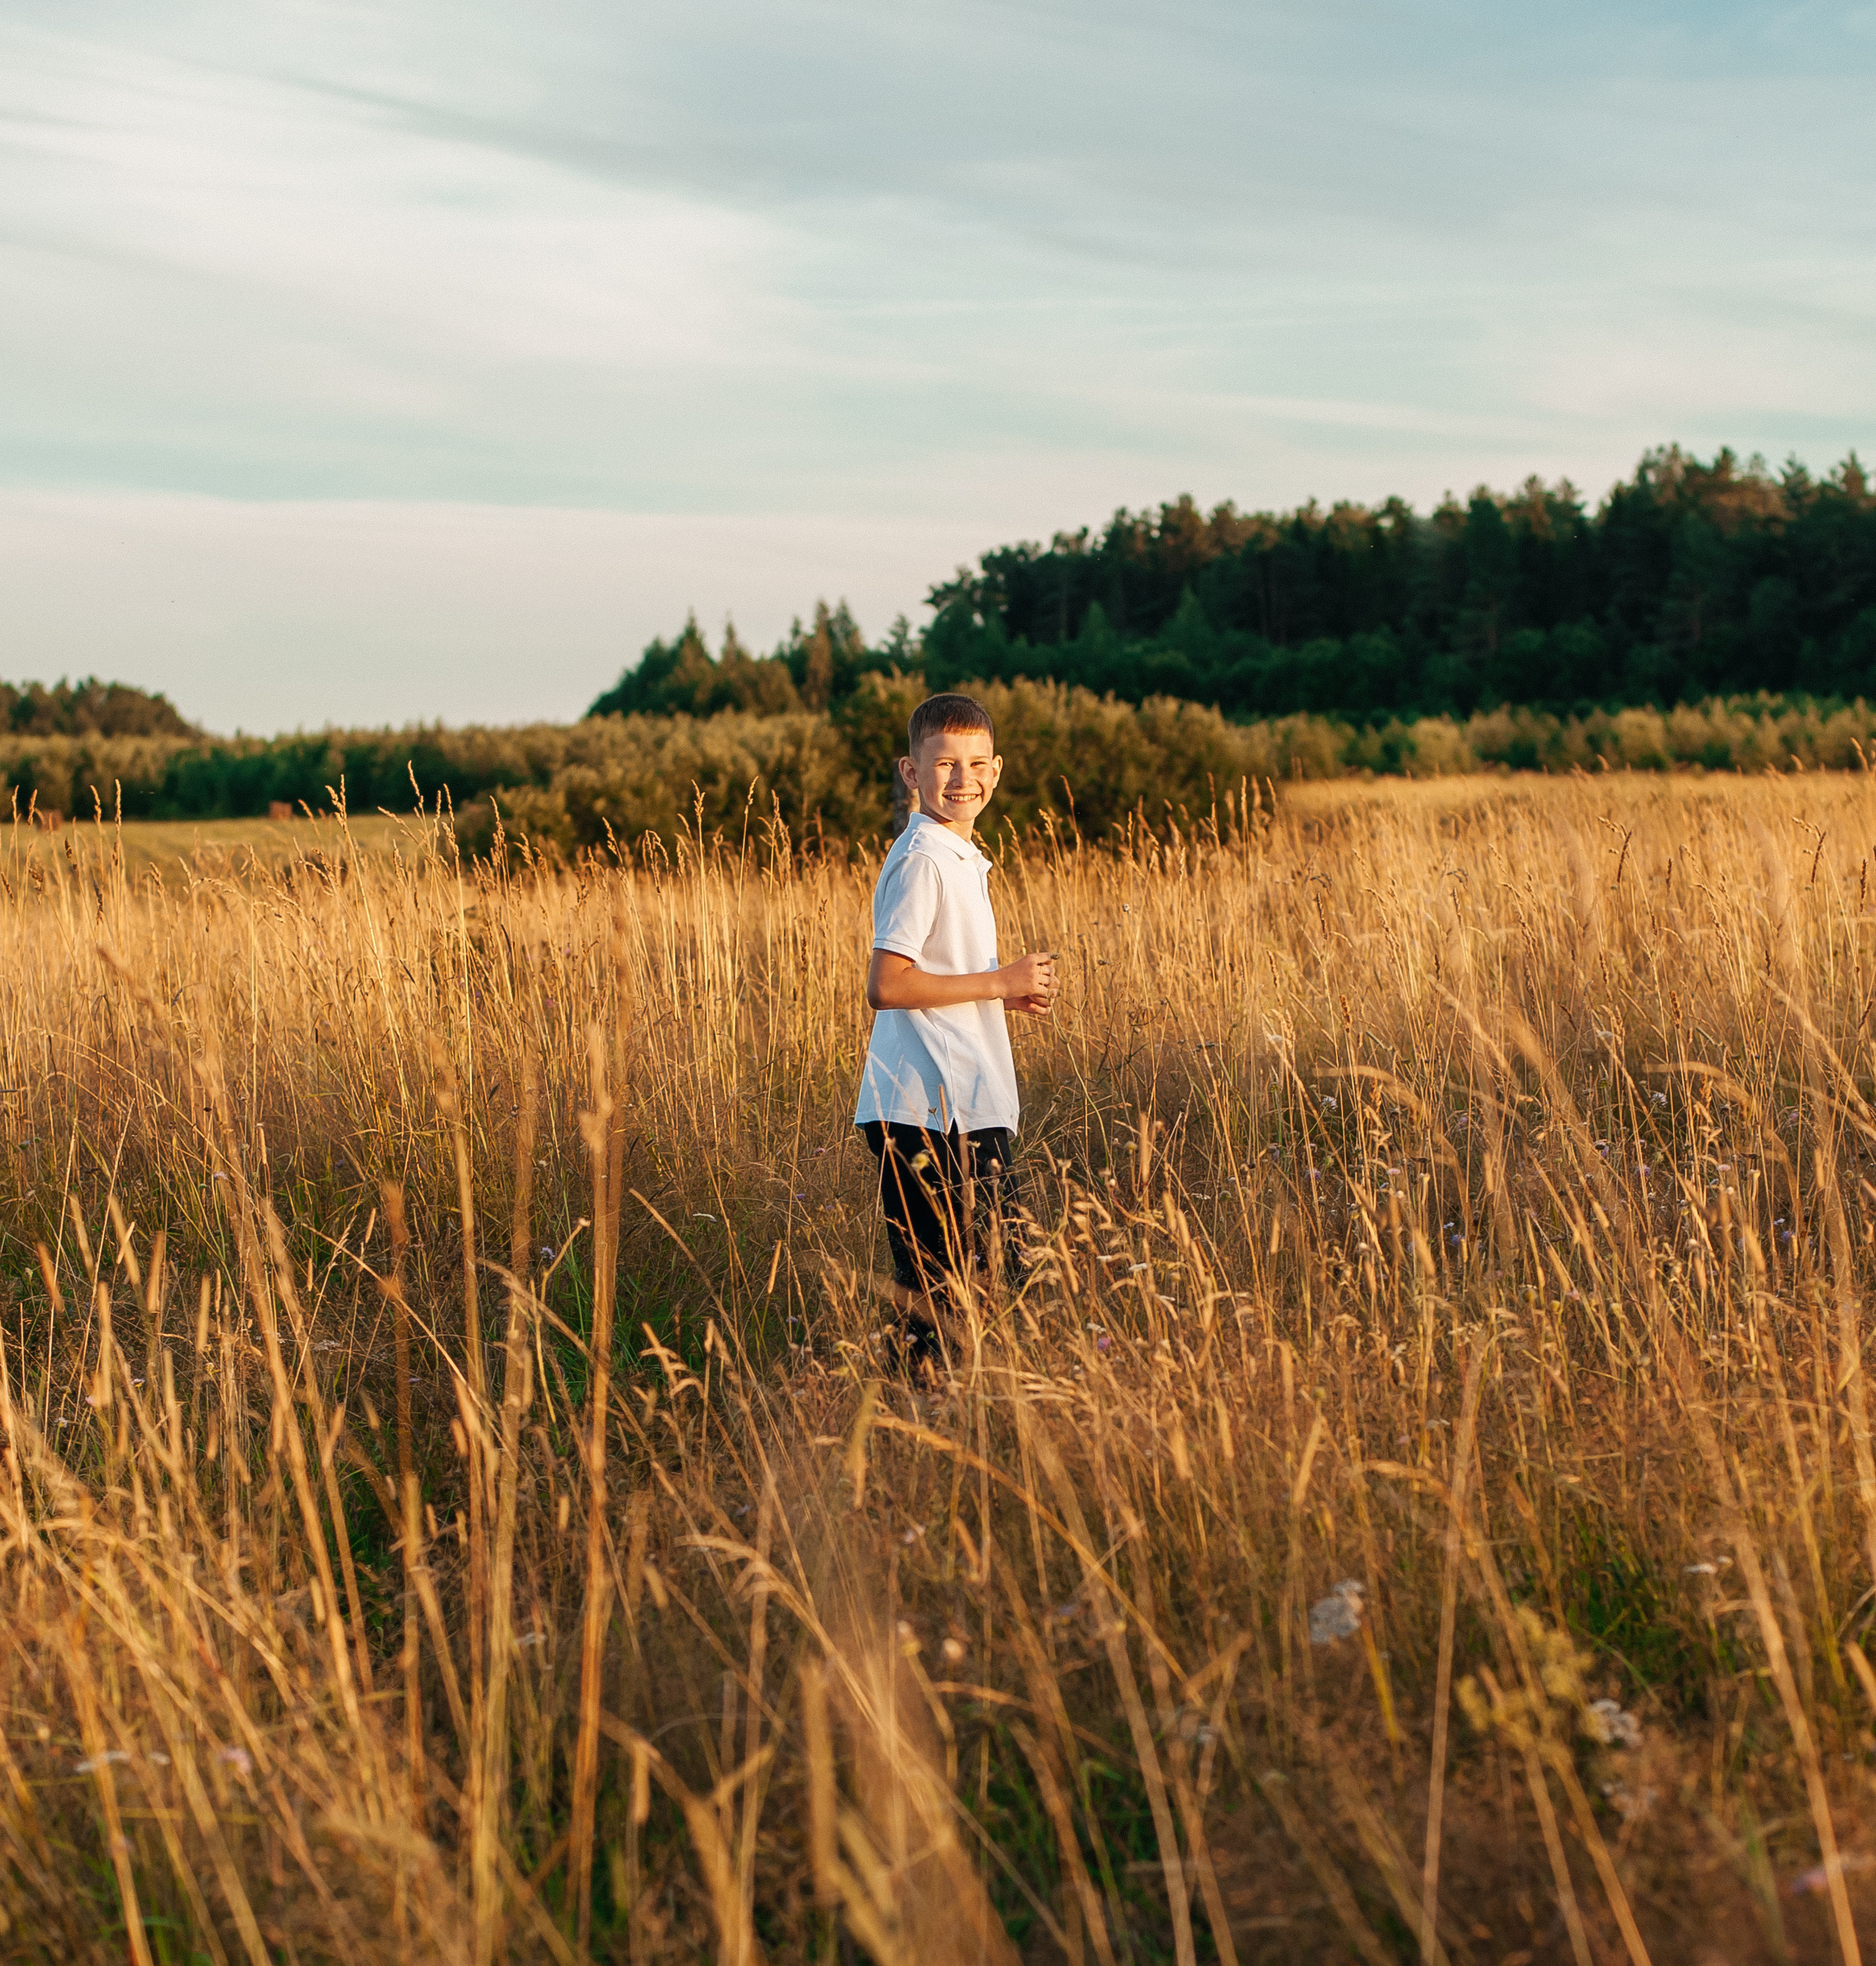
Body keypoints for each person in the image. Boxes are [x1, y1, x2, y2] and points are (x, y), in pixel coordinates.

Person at [854, 692, 1057, 1372]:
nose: (961, 777)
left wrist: (1002, 994)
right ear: (911, 773)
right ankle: (916, 1424)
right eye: (944, 763)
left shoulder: (960, 856)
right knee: (941, 1289)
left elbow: (937, 977)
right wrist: (1000, 982)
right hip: (922, 1110)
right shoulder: (923, 858)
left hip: (965, 1102)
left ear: (995, 772)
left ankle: (946, 1417)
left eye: (975, 763)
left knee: (1001, 1270)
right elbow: (888, 984)